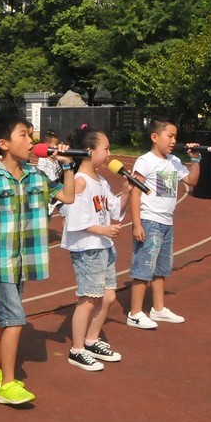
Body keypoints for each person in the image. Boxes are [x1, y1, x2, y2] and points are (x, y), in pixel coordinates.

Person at [0, 114, 75, 405]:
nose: (31, 141)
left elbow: (70, 197)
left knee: (5, 316)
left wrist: (68, 164)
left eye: (30, 135)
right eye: (23, 135)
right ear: (4, 143)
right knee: (14, 319)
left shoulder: (38, 175)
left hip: (24, 259)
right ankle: (8, 384)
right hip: (0, 260)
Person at [61, 127, 131, 371]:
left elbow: (113, 209)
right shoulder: (80, 182)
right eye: (106, 149)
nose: (109, 153)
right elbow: (75, 220)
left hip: (104, 246)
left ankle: (91, 340)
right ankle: (77, 349)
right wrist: (103, 230)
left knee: (109, 296)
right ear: (89, 152)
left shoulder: (100, 181)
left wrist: (126, 192)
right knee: (88, 299)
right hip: (88, 248)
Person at [127, 119, 201, 330]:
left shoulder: (174, 161)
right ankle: (134, 313)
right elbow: (135, 191)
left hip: (166, 222)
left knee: (161, 268)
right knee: (143, 267)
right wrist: (137, 224)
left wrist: (195, 159)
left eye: (175, 136)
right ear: (155, 137)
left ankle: (158, 309)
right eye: (170, 136)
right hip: (150, 221)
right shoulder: (145, 161)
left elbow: (192, 181)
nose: (173, 140)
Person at [36, 129, 65, 216]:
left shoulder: (55, 158)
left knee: (65, 213)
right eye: (55, 144)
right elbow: (40, 175)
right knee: (46, 216)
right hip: (48, 191)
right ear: (47, 145)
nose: (57, 146)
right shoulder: (43, 160)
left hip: (57, 188)